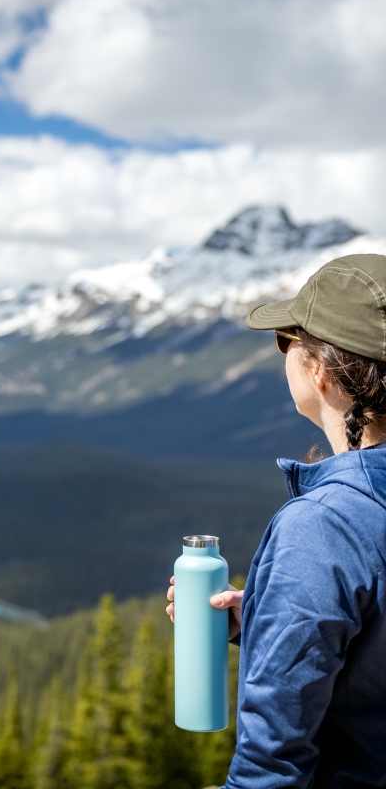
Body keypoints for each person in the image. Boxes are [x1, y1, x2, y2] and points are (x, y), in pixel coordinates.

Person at [165, 253, 386, 787]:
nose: (282, 352)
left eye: (288, 339)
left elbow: (271, 768)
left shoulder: (324, 527)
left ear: (321, 370)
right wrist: (274, 615)